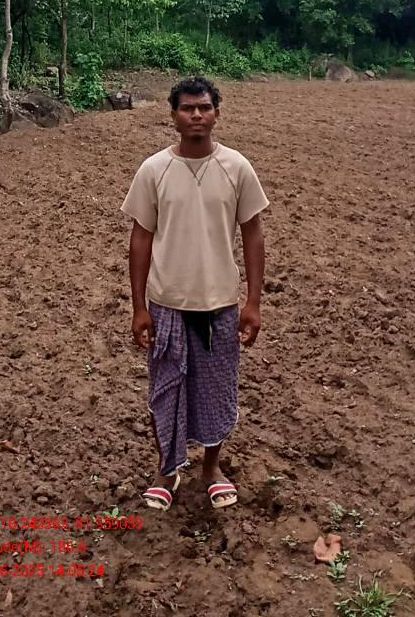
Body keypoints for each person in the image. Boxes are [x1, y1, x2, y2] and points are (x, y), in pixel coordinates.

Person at [120, 75, 269, 511]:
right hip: (166, 304)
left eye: (204, 107)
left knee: (216, 389)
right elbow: (140, 239)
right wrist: (139, 307)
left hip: (218, 305)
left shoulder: (236, 168)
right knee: (165, 390)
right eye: (187, 108)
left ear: (216, 113)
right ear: (174, 116)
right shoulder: (154, 170)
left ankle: (211, 468)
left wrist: (253, 302)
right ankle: (167, 470)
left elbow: (253, 235)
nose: (197, 115)